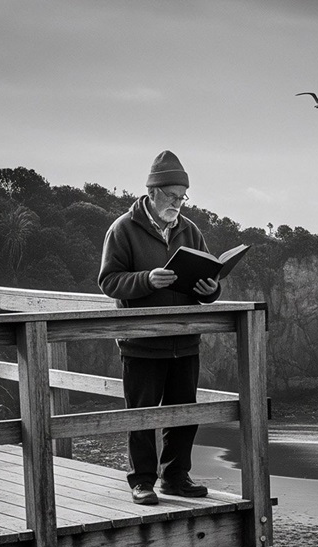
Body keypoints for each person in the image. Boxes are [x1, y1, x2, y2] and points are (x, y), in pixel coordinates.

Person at [98, 150, 222, 506]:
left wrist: (210, 289)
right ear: (152, 192)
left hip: (184, 339)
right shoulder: (123, 229)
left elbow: (208, 282)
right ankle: (141, 481)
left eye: (183, 197)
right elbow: (109, 281)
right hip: (142, 341)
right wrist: (147, 280)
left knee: (184, 414)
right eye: (172, 196)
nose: (178, 204)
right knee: (142, 416)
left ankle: (175, 477)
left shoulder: (190, 230)